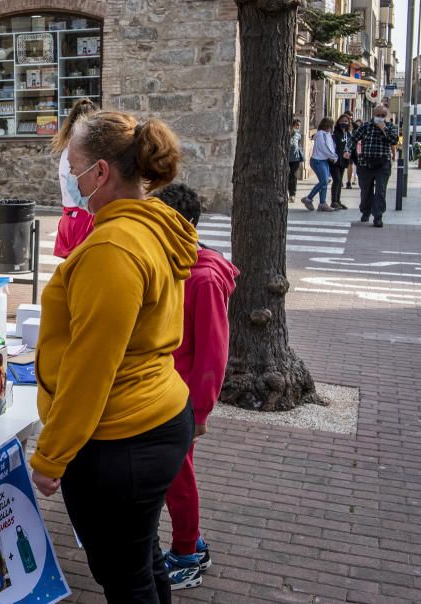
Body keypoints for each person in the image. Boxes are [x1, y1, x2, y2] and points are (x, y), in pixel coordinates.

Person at [30, 111, 196, 604]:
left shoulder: (114, 247)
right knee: (141, 562)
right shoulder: (150, 226)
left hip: (121, 435)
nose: (67, 176)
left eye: (72, 165)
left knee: (124, 577)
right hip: (153, 416)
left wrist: (51, 457)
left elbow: (91, 367)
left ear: (100, 173)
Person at [152, 183, 239, 591]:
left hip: (182, 401)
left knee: (176, 478)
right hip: (167, 392)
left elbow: (213, 354)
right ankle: (193, 544)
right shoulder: (178, 265)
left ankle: (186, 553)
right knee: (172, 475)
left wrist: (200, 411)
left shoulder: (203, 278)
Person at [53, 98, 99, 258]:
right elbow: (78, 191)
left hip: (69, 216)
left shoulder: (67, 149)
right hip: (82, 217)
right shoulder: (80, 153)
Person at [352, 104, 400, 228]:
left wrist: (384, 129)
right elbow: (353, 139)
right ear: (373, 115)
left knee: (380, 191)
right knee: (366, 190)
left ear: (386, 116)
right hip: (365, 164)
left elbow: (394, 141)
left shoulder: (390, 126)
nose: (380, 118)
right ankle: (365, 211)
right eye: (378, 115)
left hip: (383, 164)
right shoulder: (366, 126)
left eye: (383, 116)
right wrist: (348, 151)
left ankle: (378, 217)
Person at [301, 118, 336, 212]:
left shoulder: (327, 135)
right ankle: (308, 198)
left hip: (324, 160)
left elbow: (331, 146)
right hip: (318, 160)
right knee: (324, 181)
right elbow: (324, 147)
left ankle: (322, 203)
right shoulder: (321, 134)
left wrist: (333, 156)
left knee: (325, 181)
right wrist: (333, 156)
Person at [330, 113, 353, 210]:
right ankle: (333, 201)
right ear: (338, 122)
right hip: (335, 160)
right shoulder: (335, 134)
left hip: (344, 160)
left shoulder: (348, 134)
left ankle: (338, 201)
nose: (344, 123)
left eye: (346, 121)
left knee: (340, 181)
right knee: (337, 179)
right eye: (342, 121)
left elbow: (350, 145)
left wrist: (349, 152)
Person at [287, 118, 304, 202]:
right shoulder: (287, 134)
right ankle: (286, 191)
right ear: (292, 125)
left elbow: (299, 146)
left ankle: (292, 194)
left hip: (295, 159)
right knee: (287, 176)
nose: (298, 127)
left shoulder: (298, 135)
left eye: (299, 126)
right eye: (296, 125)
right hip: (287, 159)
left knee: (293, 176)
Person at [345, 119, 362, 188]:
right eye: (348, 124)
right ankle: (348, 182)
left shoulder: (356, 131)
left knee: (359, 165)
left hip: (354, 150)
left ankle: (360, 181)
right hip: (346, 150)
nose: (350, 125)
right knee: (349, 165)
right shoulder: (344, 132)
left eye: (350, 124)